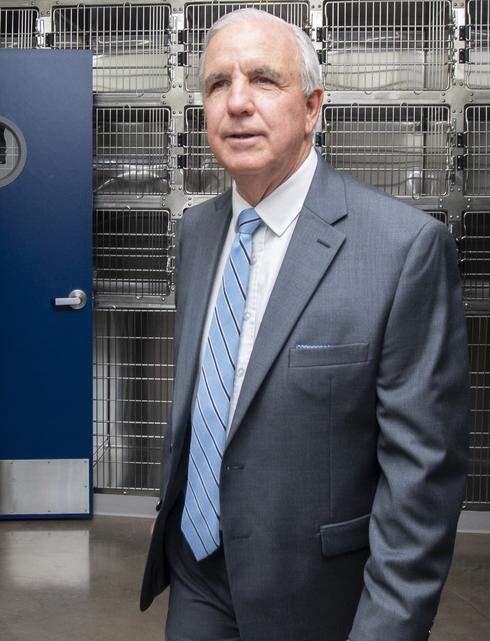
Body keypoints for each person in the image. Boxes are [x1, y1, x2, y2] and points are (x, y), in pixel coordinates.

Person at [137, 9, 470, 641]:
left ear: (313, 106)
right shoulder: (198, 232)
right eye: (217, 84)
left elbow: (422, 480)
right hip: (197, 575)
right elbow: (207, 391)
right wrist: (171, 502)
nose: (237, 103)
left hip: (315, 595)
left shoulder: (403, 249)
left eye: (264, 80)